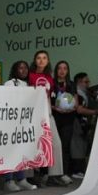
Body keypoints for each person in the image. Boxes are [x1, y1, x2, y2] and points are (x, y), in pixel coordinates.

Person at [27, 50, 66, 187]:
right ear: (35, 60)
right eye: (38, 58)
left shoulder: (50, 78)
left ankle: (54, 175)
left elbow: (50, 96)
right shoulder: (29, 75)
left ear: (48, 61)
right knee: (31, 144)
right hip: (32, 114)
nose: (41, 60)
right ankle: (29, 176)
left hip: (47, 113)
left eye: (44, 58)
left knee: (56, 143)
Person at [2, 60, 39, 192]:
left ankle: (21, 179)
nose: (23, 71)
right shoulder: (10, 83)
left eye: (25, 68)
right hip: (11, 123)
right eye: (20, 68)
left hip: (25, 124)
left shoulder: (30, 85)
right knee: (10, 152)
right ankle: (9, 180)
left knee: (21, 152)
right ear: (14, 70)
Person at [50, 60, 77, 186]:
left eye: (65, 68)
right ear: (56, 70)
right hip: (55, 117)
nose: (62, 71)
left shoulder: (71, 84)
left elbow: (75, 102)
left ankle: (64, 173)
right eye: (59, 68)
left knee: (65, 146)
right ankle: (52, 174)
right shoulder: (51, 83)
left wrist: (72, 107)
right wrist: (56, 108)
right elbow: (48, 101)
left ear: (68, 70)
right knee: (55, 146)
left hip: (68, 118)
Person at [70, 72, 98, 179]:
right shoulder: (77, 93)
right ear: (79, 82)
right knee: (77, 146)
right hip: (77, 122)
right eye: (86, 82)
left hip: (83, 123)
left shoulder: (85, 94)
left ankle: (80, 169)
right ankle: (76, 170)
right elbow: (80, 110)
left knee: (82, 146)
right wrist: (96, 112)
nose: (88, 84)